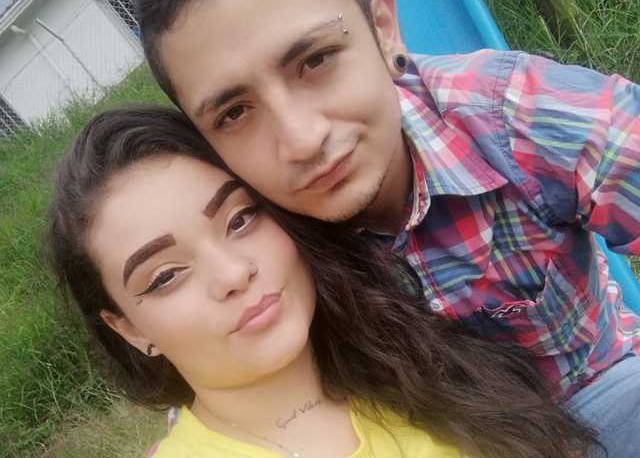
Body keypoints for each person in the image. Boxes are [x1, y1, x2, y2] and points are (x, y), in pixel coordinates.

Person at [128, 0, 640, 455]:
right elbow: (224, 382)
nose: (302, 140)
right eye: (234, 113)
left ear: (384, 28)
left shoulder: (513, 114)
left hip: (591, 395)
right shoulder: (247, 228)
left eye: (315, 60)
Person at [47, 106, 598, 458]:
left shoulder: (416, 352)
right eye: (166, 276)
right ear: (128, 327)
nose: (234, 273)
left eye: (240, 219)